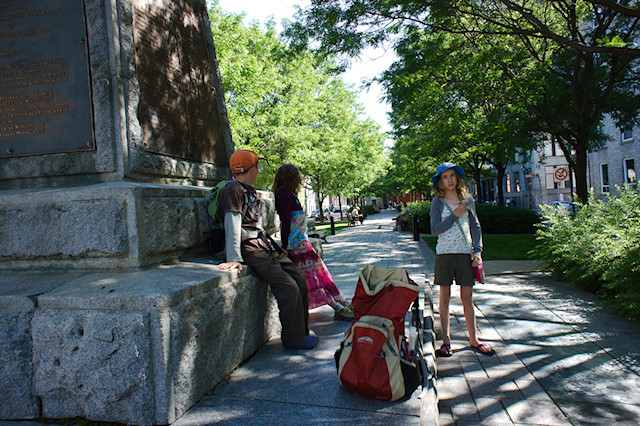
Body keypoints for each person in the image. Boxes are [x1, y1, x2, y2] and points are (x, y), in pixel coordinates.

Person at [218, 150, 318, 350]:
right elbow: (232, 222)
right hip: (251, 249)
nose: (259, 171)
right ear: (253, 170)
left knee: (299, 281)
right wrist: (234, 257)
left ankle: (302, 332)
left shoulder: (250, 190)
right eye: (258, 167)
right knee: (289, 288)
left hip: (265, 245)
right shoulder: (233, 190)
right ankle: (294, 340)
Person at [273, 164, 355, 321]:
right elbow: (285, 221)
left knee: (320, 274)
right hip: (296, 246)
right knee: (313, 278)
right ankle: (336, 306)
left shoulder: (287, 195)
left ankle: (341, 301)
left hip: (301, 243)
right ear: (292, 178)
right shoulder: (285, 196)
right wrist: (284, 246)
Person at [429, 162, 494, 357]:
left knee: (467, 298)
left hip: (466, 255)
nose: (449, 180)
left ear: (457, 178)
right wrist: (454, 216)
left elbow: (476, 227)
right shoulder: (437, 202)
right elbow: (434, 230)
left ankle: (473, 339)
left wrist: (478, 251)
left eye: (452, 176)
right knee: (445, 298)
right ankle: (446, 341)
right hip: (445, 256)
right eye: (445, 177)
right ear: (440, 182)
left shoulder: (467, 200)